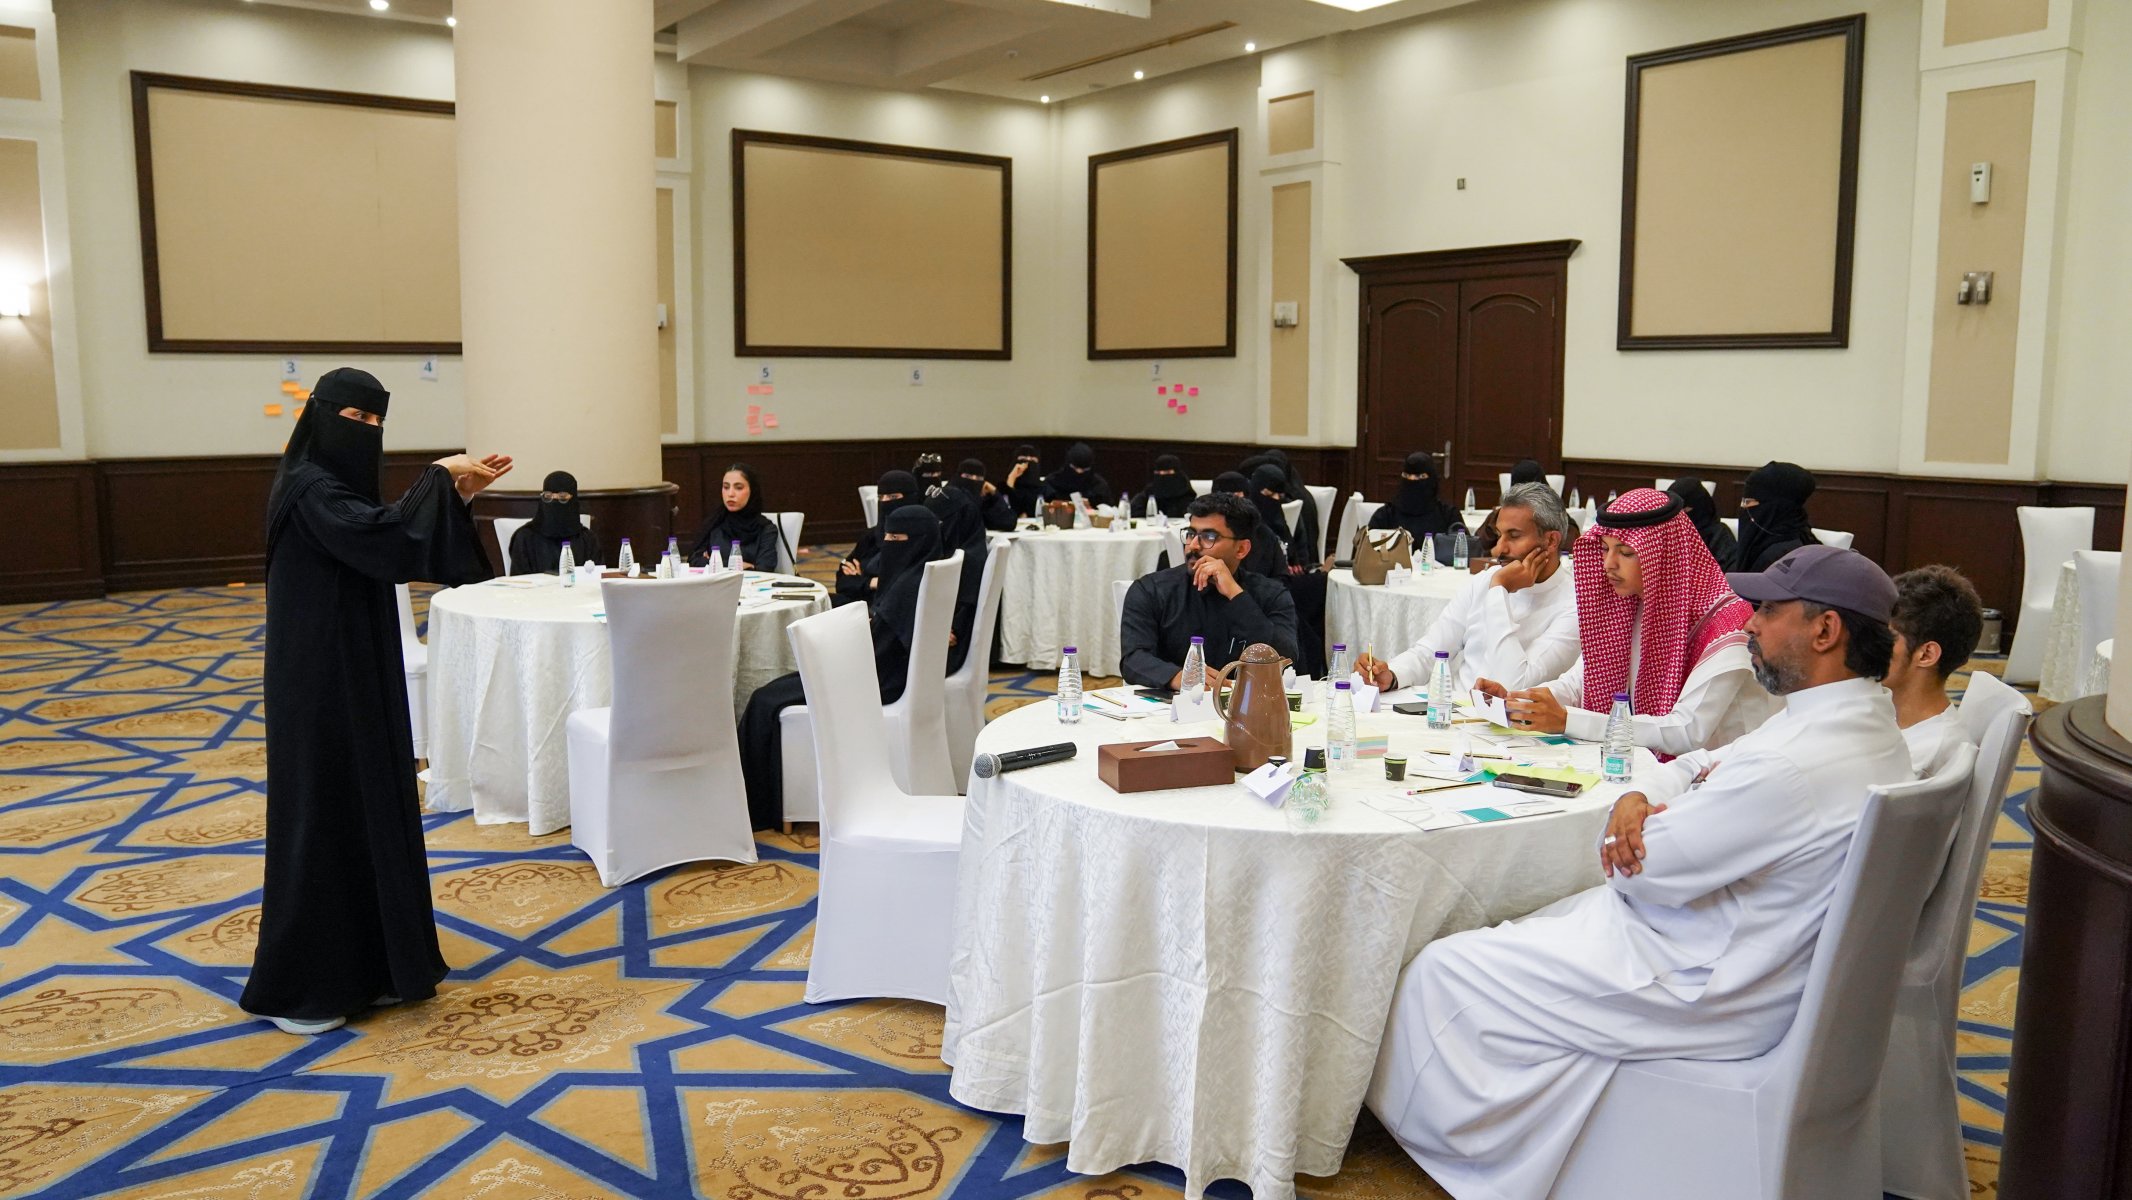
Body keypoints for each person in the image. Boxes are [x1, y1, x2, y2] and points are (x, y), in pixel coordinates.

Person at [1368, 545, 1908, 1200]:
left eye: (1769, 611)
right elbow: (1702, 762)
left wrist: (1637, 815)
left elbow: (1638, 870)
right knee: (1517, 929)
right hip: (1753, 960)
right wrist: (1640, 794)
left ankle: (1489, 1157)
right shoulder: (1864, 727)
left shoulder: (1792, 763)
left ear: (1825, 631)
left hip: (1704, 982)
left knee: (1442, 969)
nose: (1750, 623)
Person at [243, 368, 510, 1035]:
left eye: (375, 423)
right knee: (325, 812)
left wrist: (452, 495)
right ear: (318, 416)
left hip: (357, 667)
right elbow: (381, 535)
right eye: (353, 419)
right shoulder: (308, 486)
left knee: (372, 804)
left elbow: (386, 540)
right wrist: (436, 478)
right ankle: (303, 987)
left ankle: (381, 967)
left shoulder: (333, 489)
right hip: (317, 681)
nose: (364, 432)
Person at [1489, 488, 1777, 755]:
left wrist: (1567, 720)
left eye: (1626, 553)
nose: (1609, 564)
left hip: (1717, 775)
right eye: (1605, 549)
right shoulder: (1629, 602)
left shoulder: (1728, 621)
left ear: (1664, 556)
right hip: (1647, 767)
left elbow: (1687, 731)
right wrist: (1519, 702)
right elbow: (1581, 683)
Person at [738, 505, 949, 829]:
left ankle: (755, 807)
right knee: (774, 691)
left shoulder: (906, 586)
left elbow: (876, 651)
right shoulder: (920, 577)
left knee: (764, 699)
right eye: (887, 536)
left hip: (875, 682)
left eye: (897, 538)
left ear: (919, 540)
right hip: (891, 675)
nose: (889, 544)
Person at [1355, 483, 1579, 694]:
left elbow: (1514, 684)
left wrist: (1499, 591)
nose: (1498, 549)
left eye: (1514, 536)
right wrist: (1392, 675)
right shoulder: (1485, 580)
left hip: (1516, 720)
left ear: (1551, 541)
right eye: (1499, 535)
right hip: (1455, 709)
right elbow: (1431, 651)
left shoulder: (1575, 604)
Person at [1119, 493, 1300, 690]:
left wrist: (1236, 595)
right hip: (1173, 703)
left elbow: (1286, 657)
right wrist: (1178, 676)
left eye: (1209, 537)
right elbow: (1133, 659)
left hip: (1248, 701)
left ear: (1241, 549)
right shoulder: (1152, 590)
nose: (1193, 545)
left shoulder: (1271, 594)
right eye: (1190, 534)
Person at [1887, 564, 1985, 775]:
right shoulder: (1894, 716)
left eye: (1884, 637)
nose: (1867, 645)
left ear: (1926, 655)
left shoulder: (1921, 758)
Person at [925, 483, 988, 673]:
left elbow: (956, 629)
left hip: (943, 651)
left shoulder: (968, 562)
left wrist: (943, 630)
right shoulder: (963, 550)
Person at [837, 469, 921, 606]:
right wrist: (870, 582)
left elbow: (903, 585)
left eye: (893, 497)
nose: (885, 502)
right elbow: (843, 579)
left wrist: (863, 580)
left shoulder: (919, 538)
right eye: (881, 497)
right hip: (861, 604)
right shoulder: (872, 536)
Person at [1370, 452, 1465, 565]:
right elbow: (1367, 555)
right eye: (1406, 476)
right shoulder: (1385, 515)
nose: (1412, 480)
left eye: (1420, 477)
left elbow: (1463, 553)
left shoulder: (1448, 515)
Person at [687, 464, 781, 570]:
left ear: (752, 490)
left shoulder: (765, 529)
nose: (730, 494)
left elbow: (765, 568)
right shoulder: (714, 523)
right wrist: (741, 565)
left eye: (738, 488)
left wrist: (713, 563)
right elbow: (694, 560)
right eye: (726, 487)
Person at [506, 470, 602, 574]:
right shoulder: (524, 539)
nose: (554, 503)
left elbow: (596, 577)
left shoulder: (587, 540)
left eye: (562, 497)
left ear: (573, 501)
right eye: (548, 497)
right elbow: (518, 581)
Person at [1735, 460, 1820, 573]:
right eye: (1744, 501)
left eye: (1749, 501)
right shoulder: (1800, 537)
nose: (1744, 506)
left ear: (1777, 508)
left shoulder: (1781, 559)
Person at [1666, 476, 1738, 571]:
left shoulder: (1719, 535)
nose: (1680, 516)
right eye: (1675, 511)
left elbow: (1726, 572)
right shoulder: (1665, 533)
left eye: (1685, 510)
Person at [1041, 441, 1115, 507]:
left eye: (1084, 469)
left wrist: (1091, 506)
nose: (1079, 472)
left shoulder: (1099, 486)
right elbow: (1042, 505)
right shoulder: (1053, 482)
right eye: (1075, 468)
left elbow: (1109, 510)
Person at [953, 457, 1017, 532]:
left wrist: (995, 494)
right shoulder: (949, 496)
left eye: (979, 478)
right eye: (967, 476)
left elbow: (1009, 522)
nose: (973, 480)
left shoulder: (984, 499)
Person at [1143, 453, 1197, 519]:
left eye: (1167, 472)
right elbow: (1136, 509)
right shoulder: (1150, 490)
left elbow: (1189, 513)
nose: (1162, 475)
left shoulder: (1186, 491)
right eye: (1158, 472)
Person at [1004, 444, 1045, 518]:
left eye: (1032, 460)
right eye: (1023, 459)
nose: (1028, 462)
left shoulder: (1044, 489)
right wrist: (1011, 478)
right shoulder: (1003, 489)